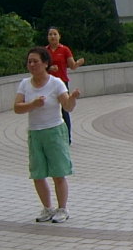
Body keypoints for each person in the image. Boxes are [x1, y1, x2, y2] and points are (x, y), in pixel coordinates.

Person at [14, 47, 81, 223]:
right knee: (38, 173)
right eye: (29, 61)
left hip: (54, 131)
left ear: (45, 63)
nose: (32, 64)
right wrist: (32, 105)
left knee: (58, 172)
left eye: (35, 61)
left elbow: (67, 107)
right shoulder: (24, 84)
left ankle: (62, 208)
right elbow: (17, 107)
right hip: (35, 132)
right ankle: (47, 208)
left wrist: (73, 98)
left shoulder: (56, 83)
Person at [45, 27, 84, 143]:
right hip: (48, 83)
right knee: (49, 109)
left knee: (64, 109)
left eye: (55, 34)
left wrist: (78, 63)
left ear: (59, 36)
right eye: (50, 34)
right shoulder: (44, 51)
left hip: (62, 83)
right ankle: (51, 137)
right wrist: (49, 68)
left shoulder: (65, 50)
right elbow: (41, 66)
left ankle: (67, 137)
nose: (53, 36)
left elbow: (72, 66)